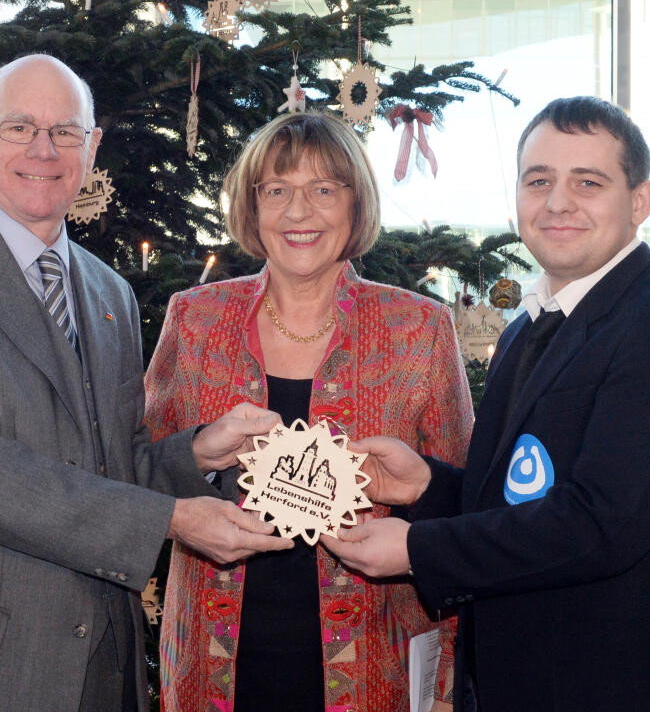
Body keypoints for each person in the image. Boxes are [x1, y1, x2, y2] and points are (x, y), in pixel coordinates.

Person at [0, 54, 292, 712]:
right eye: (19, 126)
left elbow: (108, 466)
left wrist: (199, 451)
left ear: (91, 149)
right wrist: (172, 518)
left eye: (65, 132)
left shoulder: (107, 291)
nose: (43, 149)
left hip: (99, 672)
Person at [325, 96, 650, 712]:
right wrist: (424, 486)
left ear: (640, 202)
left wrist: (418, 550)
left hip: (624, 686)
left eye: (588, 182)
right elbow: (524, 493)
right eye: (538, 180)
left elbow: (601, 524)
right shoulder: (530, 324)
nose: (557, 202)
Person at [144, 111, 475, 712]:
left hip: (377, 664)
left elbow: (465, 503)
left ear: (356, 204)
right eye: (277, 190)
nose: (299, 213)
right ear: (254, 206)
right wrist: (195, 456)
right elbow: (139, 471)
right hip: (212, 669)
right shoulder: (194, 320)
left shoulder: (418, 329)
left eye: (323, 189)